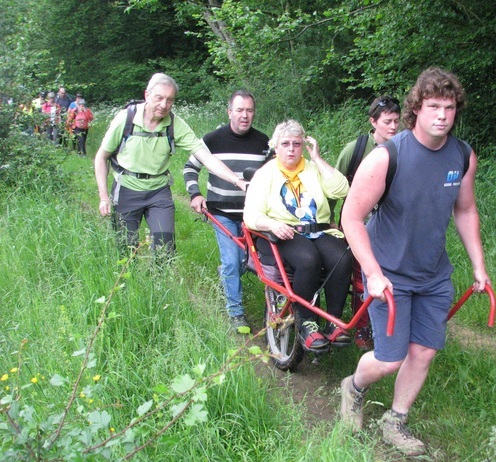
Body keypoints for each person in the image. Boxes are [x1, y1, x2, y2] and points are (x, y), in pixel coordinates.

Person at [339, 67, 491, 456]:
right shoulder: (387, 156)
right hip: (389, 273)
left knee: (423, 351)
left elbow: (466, 210)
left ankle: (396, 420)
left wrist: (478, 265)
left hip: (434, 274)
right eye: (434, 106)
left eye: (450, 107)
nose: (442, 115)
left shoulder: (462, 155)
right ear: (417, 110)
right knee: (390, 359)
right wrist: (372, 273)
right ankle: (353, 388)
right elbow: (351, 218)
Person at [94, 73, 247, 255]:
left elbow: (206, 158)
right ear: (147, 95)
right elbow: (101, 157)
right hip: (126, 188)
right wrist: (104, 197)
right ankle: (130, 283)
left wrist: (237, 181)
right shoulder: (125, 119)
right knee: (126, 249)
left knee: (165, 248)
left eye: (170, 100)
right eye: (159, 98)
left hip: (159, 191)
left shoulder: (175, 125)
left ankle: (160, 281)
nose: (164, 105)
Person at [243, 120, 353, 350]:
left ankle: (334, 322)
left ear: (304, 146)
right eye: (285, 144)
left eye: (297, 144)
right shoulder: (266, 174)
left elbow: (343, 190)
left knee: (343, 257)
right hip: (283, 232)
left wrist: (318, 159)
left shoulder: (313, 169)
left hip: (318, 230)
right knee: (308, 259)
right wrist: (272, 224)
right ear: (276, 147)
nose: (291, 149)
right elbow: (251, 215)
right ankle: (306, 322)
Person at [184, 90, 269, 333]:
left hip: (255, 215)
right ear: (229, 111)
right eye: (240, 110)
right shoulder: (212, 140)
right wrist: (195, 194)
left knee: (250, 263)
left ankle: (229, 271)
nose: (245, 115)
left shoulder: (264, 143)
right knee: (232, 261)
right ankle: (236, 313)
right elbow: (190, 168)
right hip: (221, 212)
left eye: (249, 110)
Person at [331, 95, 401, 349]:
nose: (393, 127)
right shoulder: (356, 150)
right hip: (357, 224)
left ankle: (392, 320)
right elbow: (334, 186)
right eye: (387, 121)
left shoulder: (403, 150)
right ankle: (363, 328)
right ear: (373, 122)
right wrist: (329, 221)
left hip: (389, 227)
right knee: (361, 276)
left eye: (396, 121)